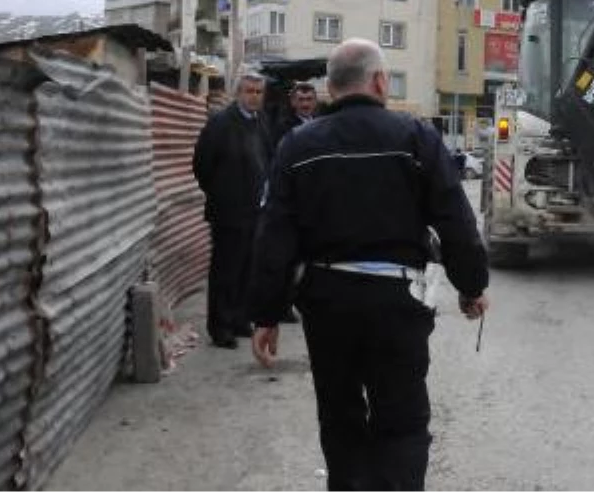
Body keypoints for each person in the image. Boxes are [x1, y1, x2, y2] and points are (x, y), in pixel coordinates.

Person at [249, 38, 489, 491]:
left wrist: (266, 313)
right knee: (401, 424)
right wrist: (471, 286)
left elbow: (274, 237)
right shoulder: (417, 138)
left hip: (327, 304)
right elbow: (455, 221)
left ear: (330, 87)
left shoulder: (297, 146)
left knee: (340, 422)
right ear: (379, 81)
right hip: (397, 305)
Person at [192, 71, 273, 348]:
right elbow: (201, 164)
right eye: (249, 91)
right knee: (226, 270)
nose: (254, 96)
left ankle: (239, 319)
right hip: (228, 212)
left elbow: (268, 158)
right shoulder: (221, 123)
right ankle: (220, 327)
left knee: (247, 269)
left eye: (258, 92)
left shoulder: (261, 122)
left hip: (255, 211)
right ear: (238, 92)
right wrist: (221, 194)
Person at [273, 81, 318, 148]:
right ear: (293, 102)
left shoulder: (322, 123)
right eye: (301, 99)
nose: (305, 104)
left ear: (315, 102)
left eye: (309, 99)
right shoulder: (283, 127)